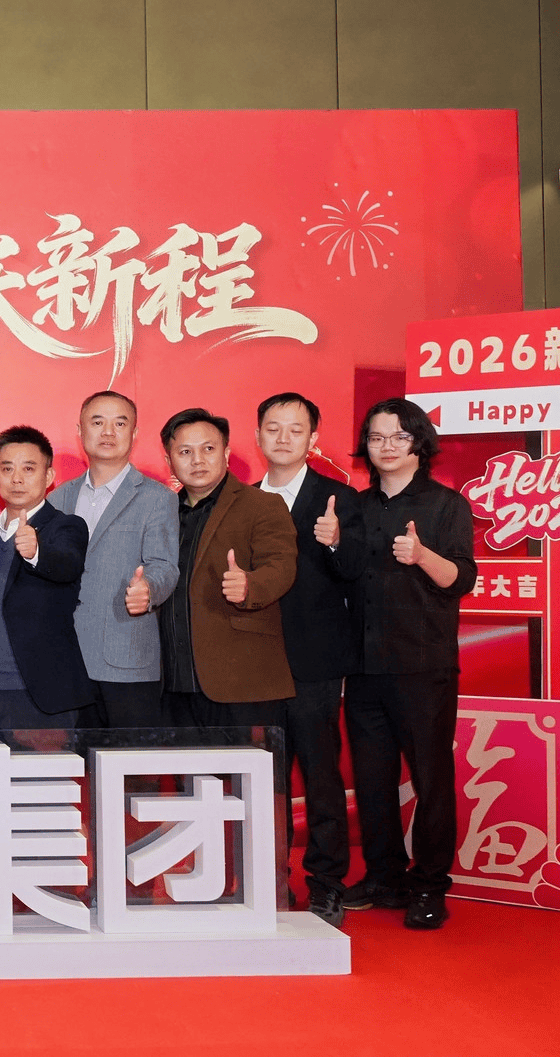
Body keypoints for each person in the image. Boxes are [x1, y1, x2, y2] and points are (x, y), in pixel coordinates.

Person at [341, 398, 476, 930]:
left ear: (419, 442)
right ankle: (385, 877)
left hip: (423, 666)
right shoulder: (355, 506)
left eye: (399, 436)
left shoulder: (446, 505)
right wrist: (332, 546)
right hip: (363, 667)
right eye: (376, 438)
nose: (387, 447)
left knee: (431, 780)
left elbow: (462, 579)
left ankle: (430, 885)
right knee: (372, 780)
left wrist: (422, 556)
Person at [253, 392, 366, 926]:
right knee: (264, 780)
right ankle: (267, 879)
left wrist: (338, 541)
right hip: (254, 664)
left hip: (315, 663)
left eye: (295, 429)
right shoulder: (241, 500)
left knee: (320, 778)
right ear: (257, 435)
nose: (283, 438)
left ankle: (326, 884)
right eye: (273, 428)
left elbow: (356, 572)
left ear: (313, 439)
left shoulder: (338, 498)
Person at [156, 407, 298, 729]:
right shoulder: (161, 512)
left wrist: (250, 585)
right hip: (174, 683)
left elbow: (281, 565)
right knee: (183, 764)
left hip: (241, 681)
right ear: (169, 460)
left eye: (208, 448)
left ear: (226, 453)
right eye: (185, 452)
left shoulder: (262, 504)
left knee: (249, 764)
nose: (197, 460)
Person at [47, 392, 180, 729]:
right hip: (68, 660)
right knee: (74, 759)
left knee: (131, 759)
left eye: (120, 424)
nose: (108, 432)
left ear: (134, 434)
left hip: (127, 658)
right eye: (98, 422)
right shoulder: (59, 498)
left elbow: (165, 565)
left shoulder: (157, 498)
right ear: (80, 431)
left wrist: (148, 589)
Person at [0, 426, 95, 731]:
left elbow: (67, 564)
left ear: (49, 476)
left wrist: (36, 552)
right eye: (7, 468)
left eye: (28, 468)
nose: (16, 478)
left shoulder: (66, 527)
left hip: (43, 695)